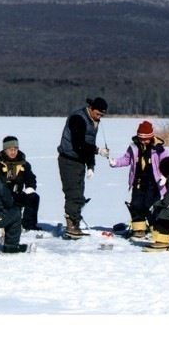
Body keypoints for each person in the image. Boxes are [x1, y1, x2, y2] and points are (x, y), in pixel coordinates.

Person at [57, 96, 108, 239]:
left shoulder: (94, 122)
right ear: (91, 109)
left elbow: (88, 143)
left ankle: (75, 223)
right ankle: (71, 225)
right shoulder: (77, 118)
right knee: (73, 193)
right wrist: (98, 151)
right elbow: (79, 144)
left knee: (79, 193)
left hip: (79, 162)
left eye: (102, 115)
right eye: (98, 114)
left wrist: (91, 166)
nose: (99, 117)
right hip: (68, 160)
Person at [108, 120, 169, 238]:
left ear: (151, 137)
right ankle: (139, 229)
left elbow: (167, 164)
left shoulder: (160, 149)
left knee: (150, 205)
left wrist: (165, 176)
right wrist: (115, 162)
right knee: (136, 204)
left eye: (146, 139)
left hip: (154, 182)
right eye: (141, 138)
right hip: (138, 181)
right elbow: (126, 159)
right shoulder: (133, 147)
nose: (143, 141)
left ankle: (155, 227)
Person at [0, 135, 41, 231]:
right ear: (5, 150)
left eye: (15, 149)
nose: (13, 152)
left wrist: (30, 188)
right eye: (10, 149)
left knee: (34, 197)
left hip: (18, 194)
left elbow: (31, 178)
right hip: (1, 196)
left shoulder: (24, 163)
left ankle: (29, 225)